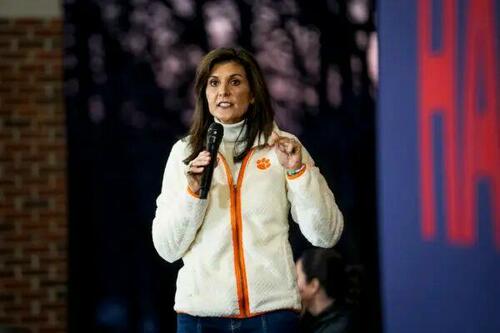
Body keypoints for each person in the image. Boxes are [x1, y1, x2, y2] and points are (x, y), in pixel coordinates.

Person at [152, 47, 344, 333]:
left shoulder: (284, 147)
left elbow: (327, 233)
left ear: (253, 93)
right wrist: (193, 194)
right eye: (214, 82)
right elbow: (167, 249)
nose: (223, 92)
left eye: (235, 81)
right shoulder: (186, 153)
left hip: (272, 315)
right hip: (200, 319)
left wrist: (297, 173)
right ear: (204, 93)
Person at [296, 248, 357, 333]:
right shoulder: (315, 321)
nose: (293, 284)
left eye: (297, 278)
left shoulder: (338, 328)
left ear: (314, 286)